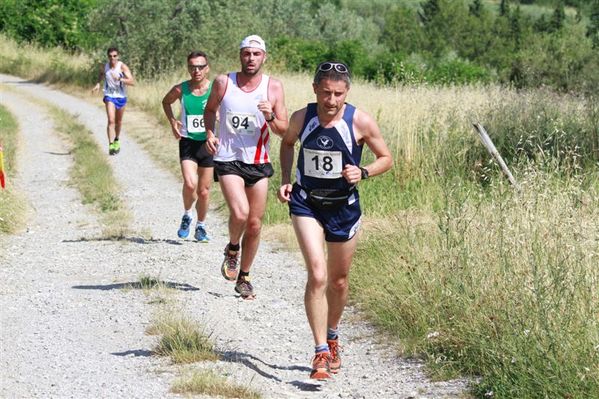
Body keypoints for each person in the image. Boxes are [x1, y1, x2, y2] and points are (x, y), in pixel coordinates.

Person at [277, 61, 393, 380]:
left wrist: (364, 171)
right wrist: (287, 178)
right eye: (326, 93)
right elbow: (287, 144)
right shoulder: (303, 117)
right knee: (317, 274)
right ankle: (320, 353)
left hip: (344, 208)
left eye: (338, 94)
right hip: (306, 203)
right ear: (315, 89)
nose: (331, 100)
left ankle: (332, 334)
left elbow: (387, 158)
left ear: (347, 92)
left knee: (338, 280)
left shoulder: (360, 121)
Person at [204, 35, 288, 299]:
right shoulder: (223, 82)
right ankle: (232, 249)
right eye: (246, 53)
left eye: (256, 54)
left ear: (264, 57)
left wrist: (270, 116)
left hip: (259, 161)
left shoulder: (273, 87)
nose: (251, 59)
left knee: (254, 224)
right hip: (228, 158)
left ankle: (244, 277)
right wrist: (209, 133)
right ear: (240, 55)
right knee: (240, 213)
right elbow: (209, 110)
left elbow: (284, 130)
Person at [162, 51, 214, 242]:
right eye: (192, 66)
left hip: (208, 144)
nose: (196, 70)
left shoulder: (215, 89)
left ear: (207, 68)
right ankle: (187, 214)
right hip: (188, 141)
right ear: (188, 68)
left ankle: (200, 226)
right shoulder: (181, 89)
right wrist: (172, 121)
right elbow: (165, 102)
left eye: (200, 66)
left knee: (204, 191)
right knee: (190, 183)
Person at [92, 47, 135, 155]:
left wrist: (120, 79)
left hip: (121, 96)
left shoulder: (122, 66)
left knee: (118, 122)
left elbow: (132, 81)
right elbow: (101, 74)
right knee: (111, 120)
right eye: (110, 56)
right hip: (109, 95)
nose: (112, 58)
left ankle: (116, 139)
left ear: (118, 56)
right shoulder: (105, 66)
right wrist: (98, 84)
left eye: (115, 56)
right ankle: (111, 144)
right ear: (108, 56)